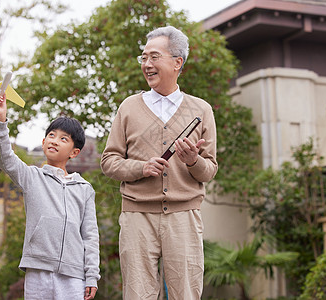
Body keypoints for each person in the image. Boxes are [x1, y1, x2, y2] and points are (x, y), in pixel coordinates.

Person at [100, 25, 218, 299]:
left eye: (154, 57)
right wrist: (140, 168)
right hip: (136, 216)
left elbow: (209, 169)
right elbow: (109, 161)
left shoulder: (201, 110)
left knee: (186, 294)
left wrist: (193, 161)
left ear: (177, 62)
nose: (147, 64)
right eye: (144, 58)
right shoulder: (128, 107)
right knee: (137, 294)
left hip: (184, 216)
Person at [0, 91, 100, 300]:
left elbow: (90, 236)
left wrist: (92, 276)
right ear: (43, 142)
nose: (55, 141)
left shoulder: (84, 189)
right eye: (51, 135)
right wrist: (1, 120)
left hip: (74, 274)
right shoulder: (32, 177)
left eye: (63, 138)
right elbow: (6, 158)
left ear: (74, 152)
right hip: (37, 269)